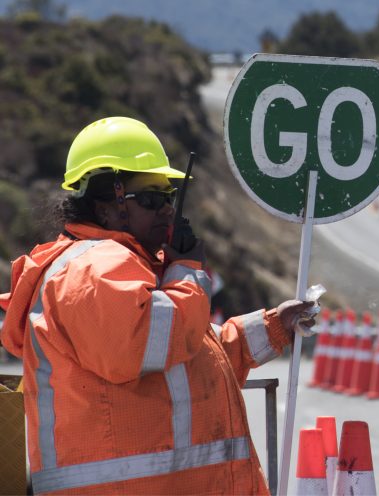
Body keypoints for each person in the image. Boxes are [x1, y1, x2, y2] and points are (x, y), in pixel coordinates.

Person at [0, 117, 313, 494]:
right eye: (150, 198)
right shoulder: (92, 269)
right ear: (105, 207)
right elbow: (144, 342)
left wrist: (273, 327)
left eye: (167, 197)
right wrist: (185, 271)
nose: (166, 210)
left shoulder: (131, 270)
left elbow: (184, 354)